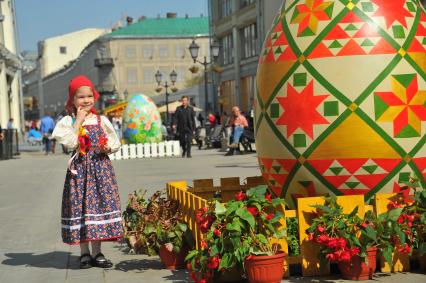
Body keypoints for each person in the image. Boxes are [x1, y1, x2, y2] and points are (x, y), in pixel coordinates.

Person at [52, 75, 123, 269]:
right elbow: (69, 142)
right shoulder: (69, 121)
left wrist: (107, 147)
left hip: (100, 170)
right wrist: (79, 121)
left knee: (98, 208)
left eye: (89, 96)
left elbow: (114, 141)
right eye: (81, 97)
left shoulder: (101, 120)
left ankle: (97, 252)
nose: (86, 100)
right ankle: (84, 253)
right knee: (81, 209)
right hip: (80, 172)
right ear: (73, 100)